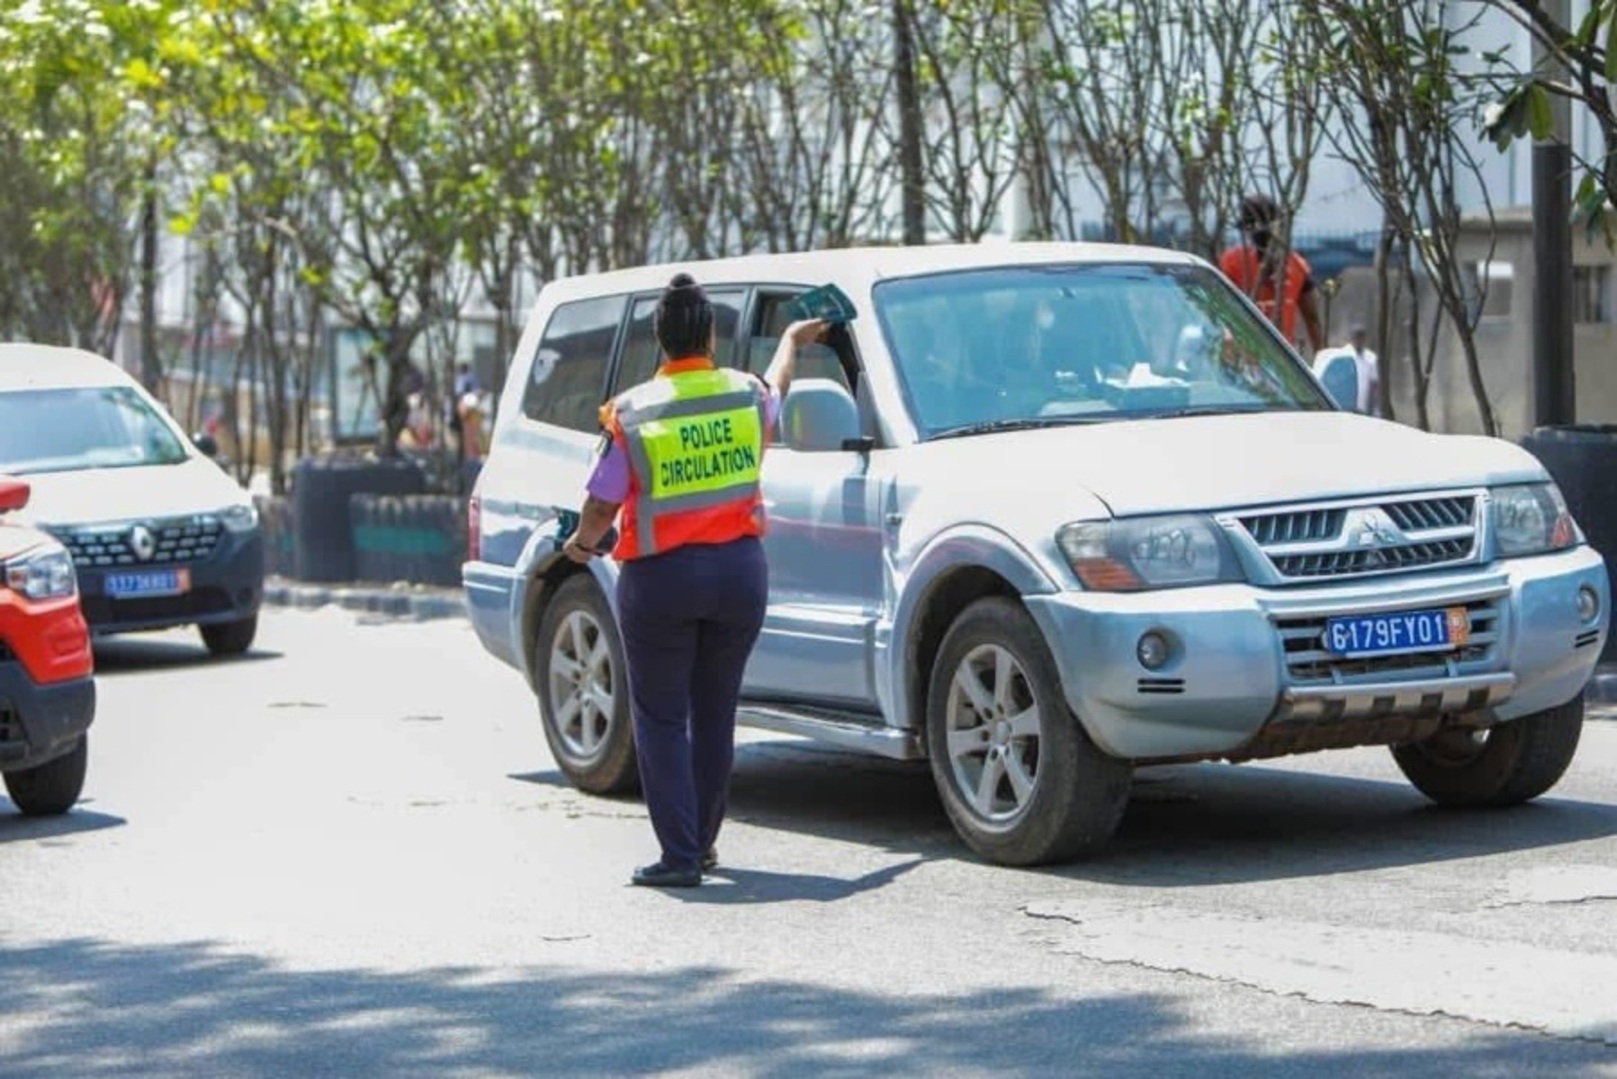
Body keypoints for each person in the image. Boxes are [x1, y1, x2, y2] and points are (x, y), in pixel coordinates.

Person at [561, 271, 827, 888]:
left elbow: (601, 508)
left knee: (659, 716)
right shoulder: (744, 394)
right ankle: (703, 844)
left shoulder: (632, 411)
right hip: (739, 574)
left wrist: (580, 544)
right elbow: (779, 385)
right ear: (710, 333)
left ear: (660, 338)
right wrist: (791, 337)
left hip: (661, 581)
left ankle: (679, 855)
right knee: (716, 712)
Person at [1218, 193, 1326, 357]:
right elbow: (1220, 314)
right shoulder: (1232, 264)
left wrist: (1322, 362)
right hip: (1242, 360)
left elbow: (1312, 320)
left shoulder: (1296, 266)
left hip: (1281, 364)